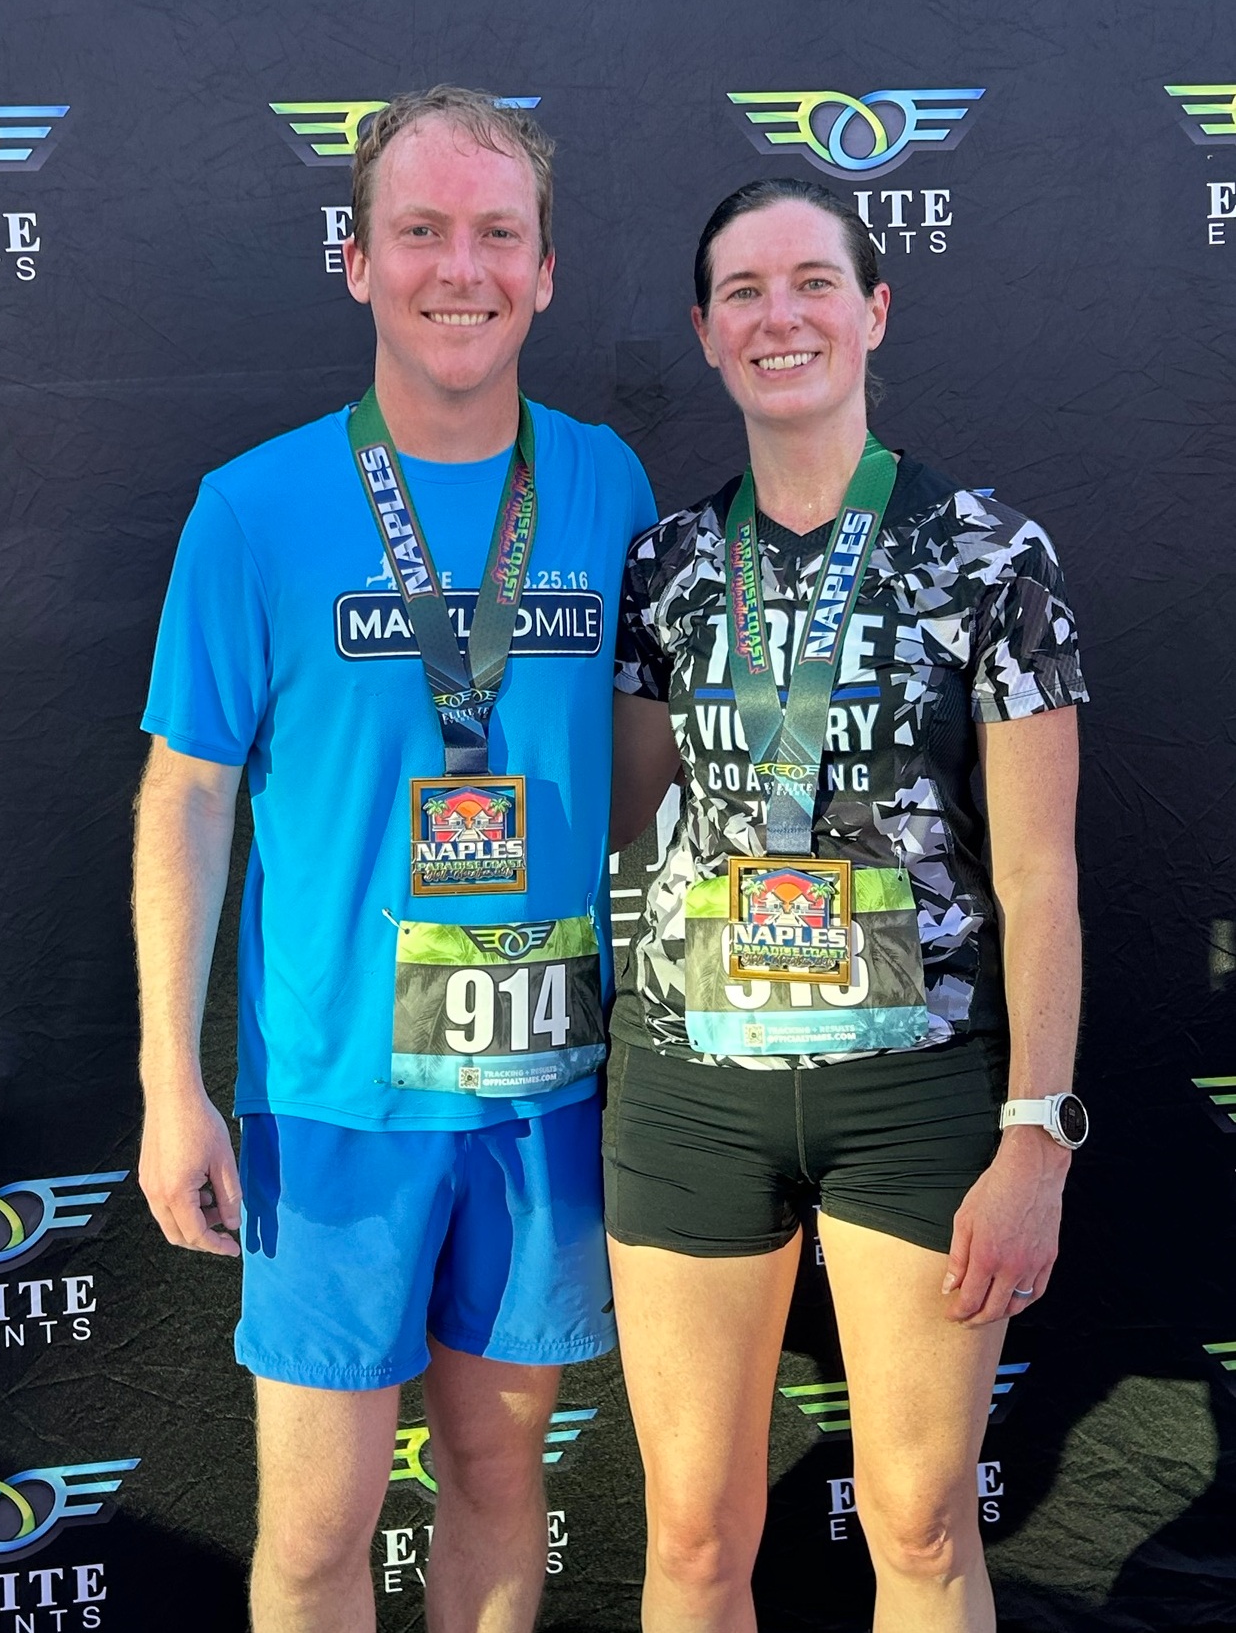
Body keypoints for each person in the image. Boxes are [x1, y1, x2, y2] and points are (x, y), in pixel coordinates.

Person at [134, 87, 655, 1633]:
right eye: (420, 230)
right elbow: (186, 801)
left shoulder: (608, 486)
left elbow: (642, 776)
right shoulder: (253, 510)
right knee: (316, 1531)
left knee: (500, 1480)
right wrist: (171, 1080)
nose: (460, 268)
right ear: (357, 260)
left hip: (543, 1092)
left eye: (498, 234)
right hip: (333, 1103)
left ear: (546, 271)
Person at [607, 177, 1088, 1633]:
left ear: (874, 310)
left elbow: (1041, 874)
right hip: (690, 1089)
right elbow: (620, 823)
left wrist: (1038, 1134)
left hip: (916, 1092)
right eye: (744, 292)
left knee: (923, 1525)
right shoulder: (666, 565)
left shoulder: (990, 554)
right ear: (707, 331)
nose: (781, 316)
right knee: (693, 1532)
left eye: (813, 281)